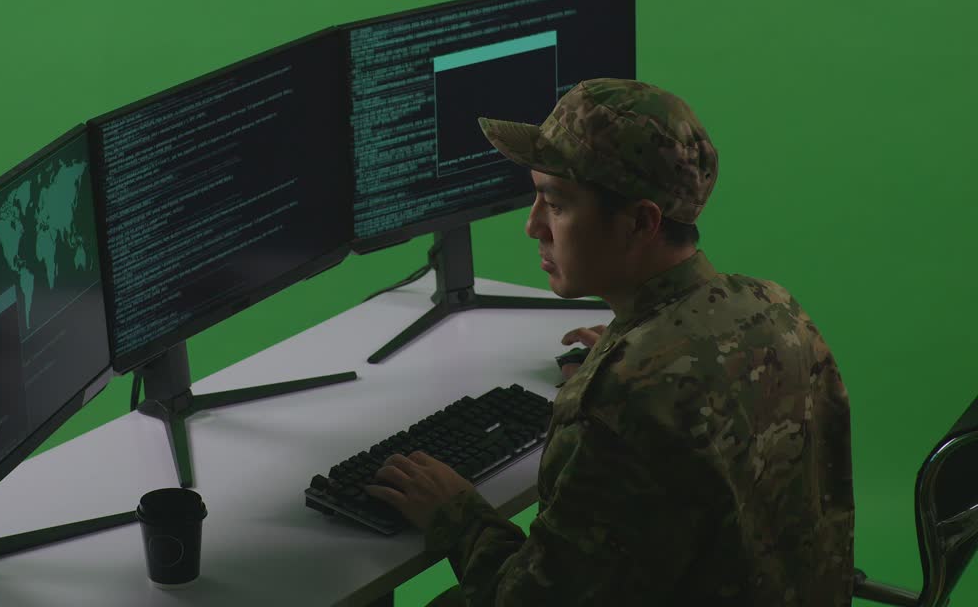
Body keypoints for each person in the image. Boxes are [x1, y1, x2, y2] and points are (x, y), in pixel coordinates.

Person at [363, 78, 855, 606]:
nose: (533, 227)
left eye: (555, 204)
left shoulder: (629, 400)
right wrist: (625, 353)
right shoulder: (775, 308)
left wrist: (455, 511)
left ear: (641, 222)